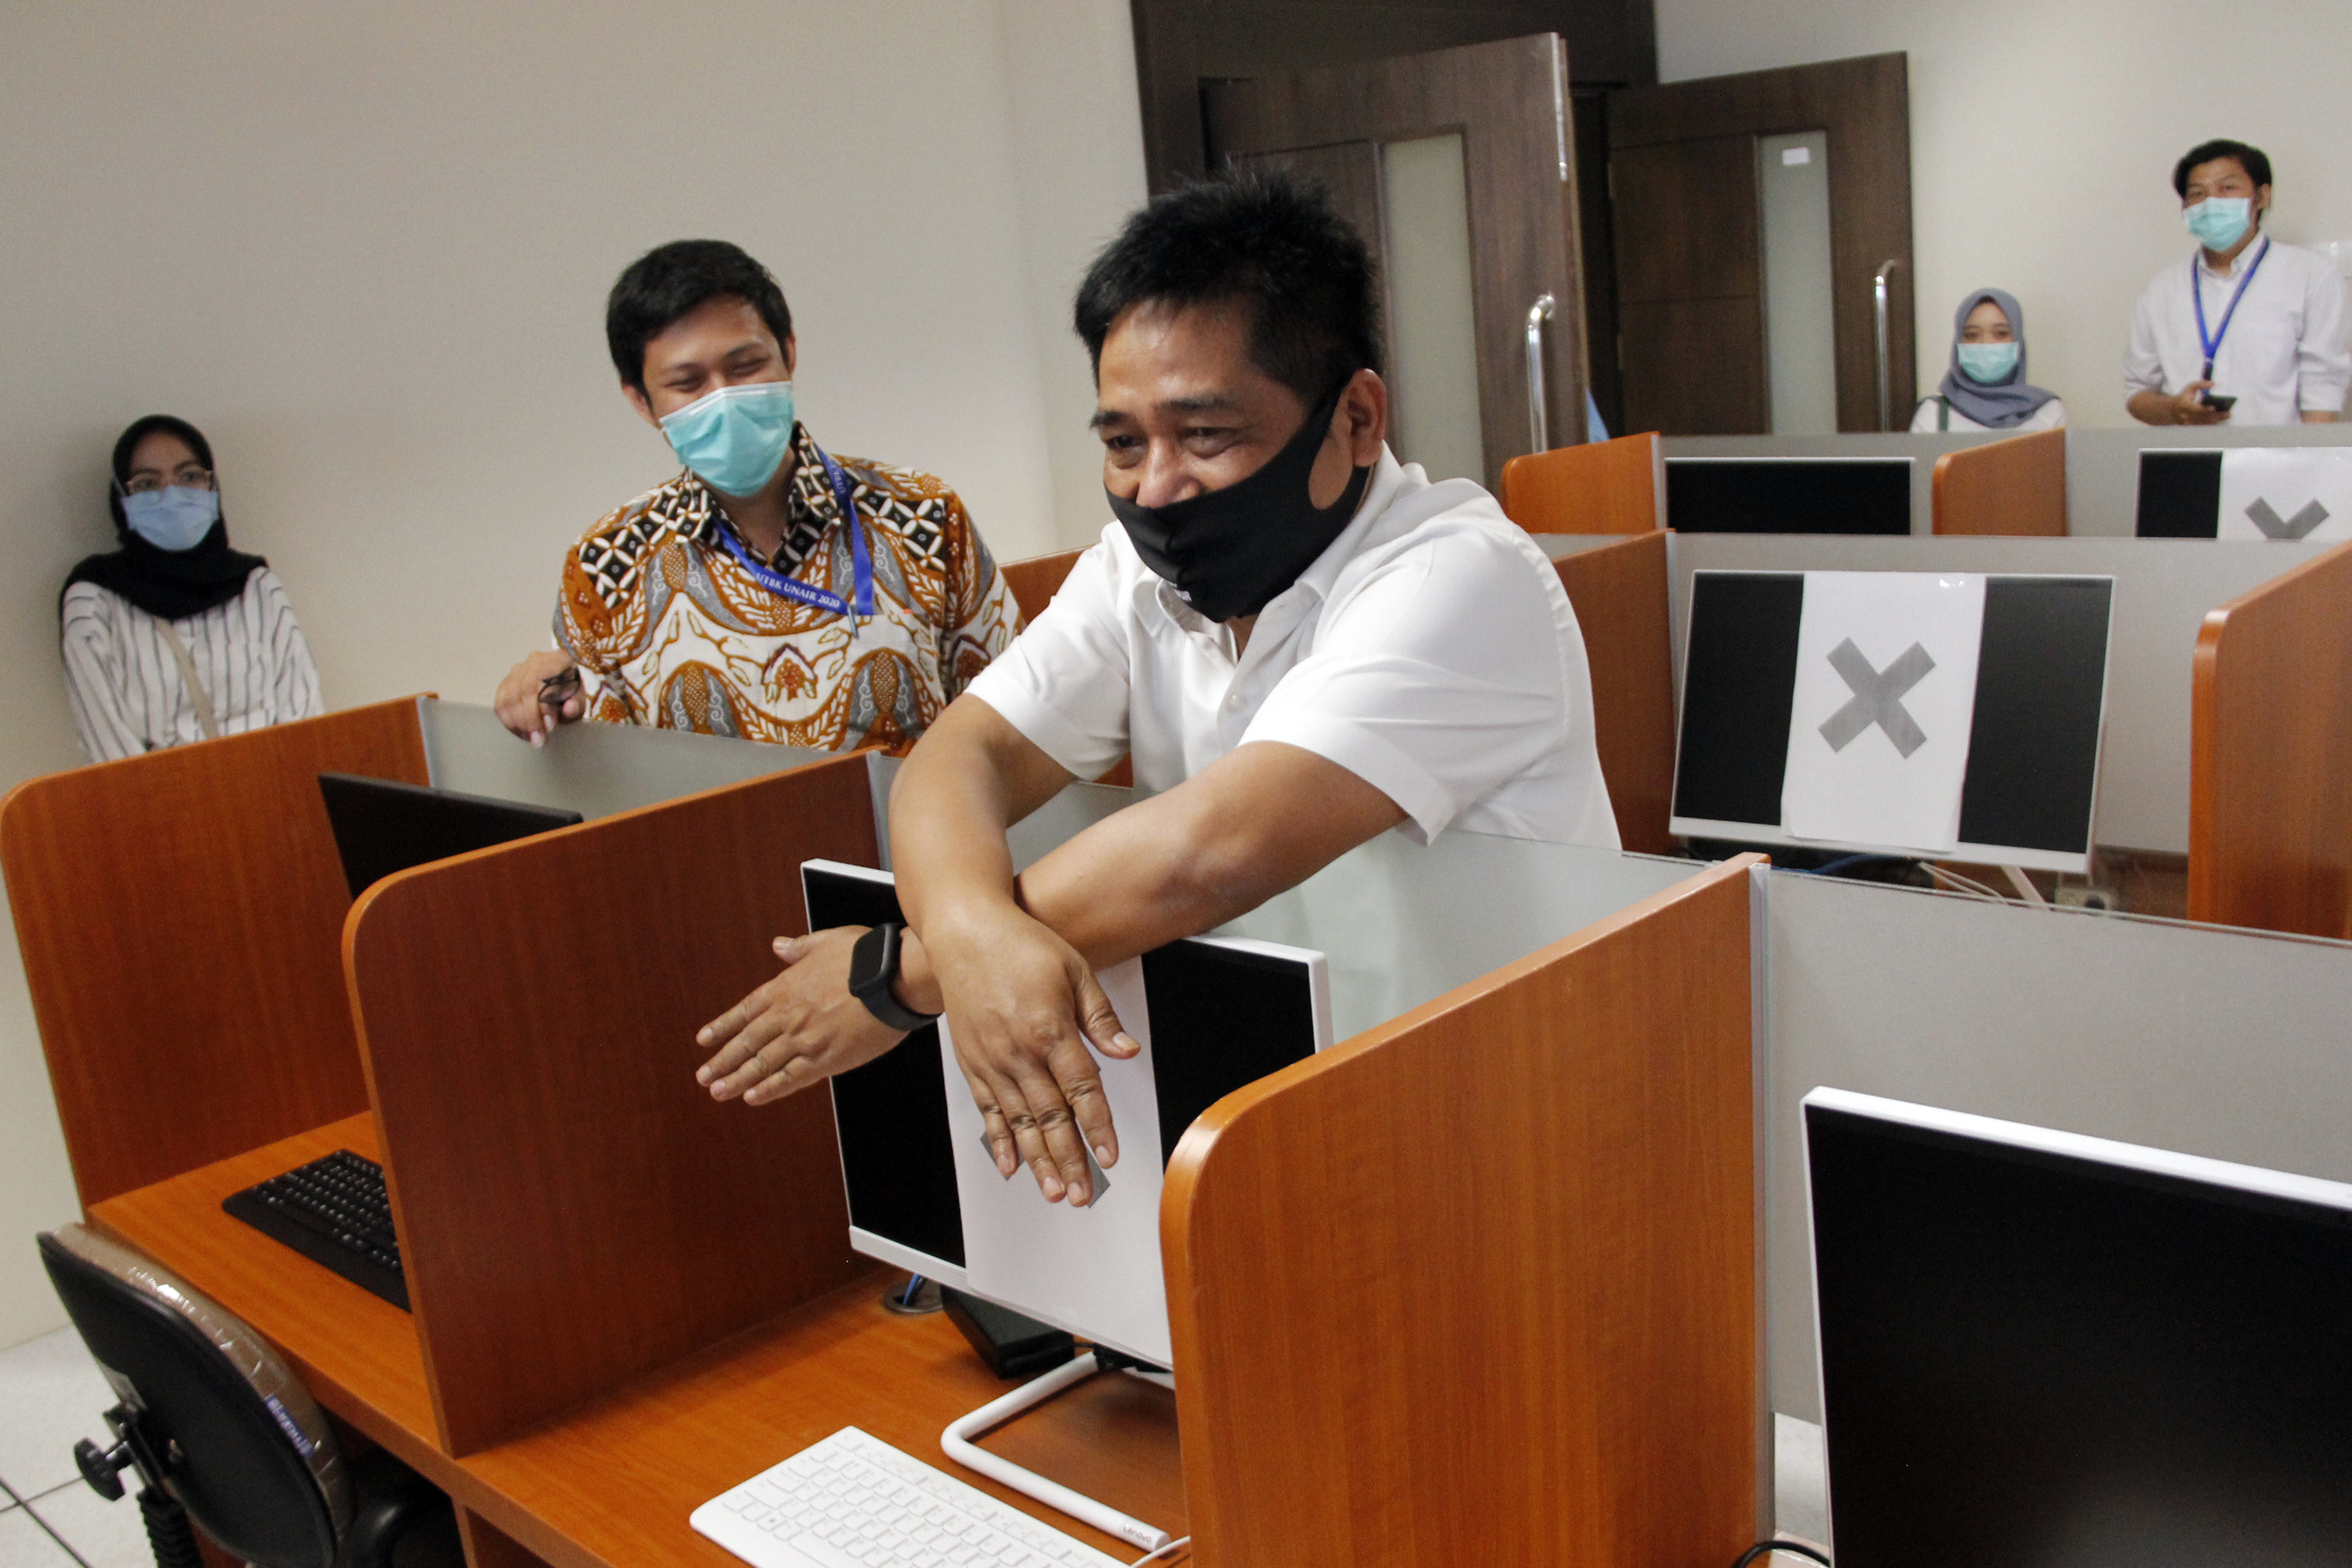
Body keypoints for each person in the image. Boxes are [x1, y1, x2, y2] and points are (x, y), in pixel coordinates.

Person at [688, 174, 1618, 1207]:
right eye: (1124, 444)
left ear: (1355, 418)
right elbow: (963, 758)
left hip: (1522, 1140)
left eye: (1207, 435)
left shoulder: (1460, 577)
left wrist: (897, 979)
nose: (1157, 487)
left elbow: (1209, 853)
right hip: (1299, 1130)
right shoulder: (1140, 573)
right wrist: (964, 937)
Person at [492, 241, 1022, 750]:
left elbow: (1022, 706)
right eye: (688, 383)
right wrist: (549, 702)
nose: (724, 397)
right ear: (641, 401)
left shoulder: (923, 514)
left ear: (788, 351)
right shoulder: (607, 564)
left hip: (909, 840)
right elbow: (611, 776)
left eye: (746, 367)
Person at [60, 416, 323, 762]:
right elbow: (110, 755)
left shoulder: (257, 587)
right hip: (158, 810)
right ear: (122, 498)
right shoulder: (94, 602)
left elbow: (305, 725)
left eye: (189, 476)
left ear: (212, 486)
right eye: (147, 484)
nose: (171, 494)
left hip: (275, 800)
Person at [2125, 139, 2349, 426]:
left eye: (2227, 188)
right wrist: (2173, 410)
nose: (2211, 202)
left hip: (2279, 460)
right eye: (2197, 193)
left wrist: (2307, 462)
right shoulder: (2161, 291)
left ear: (2262, 197)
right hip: (2190, 461)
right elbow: (2137, 393)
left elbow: (2323, 385)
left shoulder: (2310, 275)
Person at [1911, 289, 2065, 432]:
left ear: (2019, 341)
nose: (1986, 343)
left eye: (2001, 333)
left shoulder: (2049, 412)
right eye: (1972, 335)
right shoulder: (1934, 414)